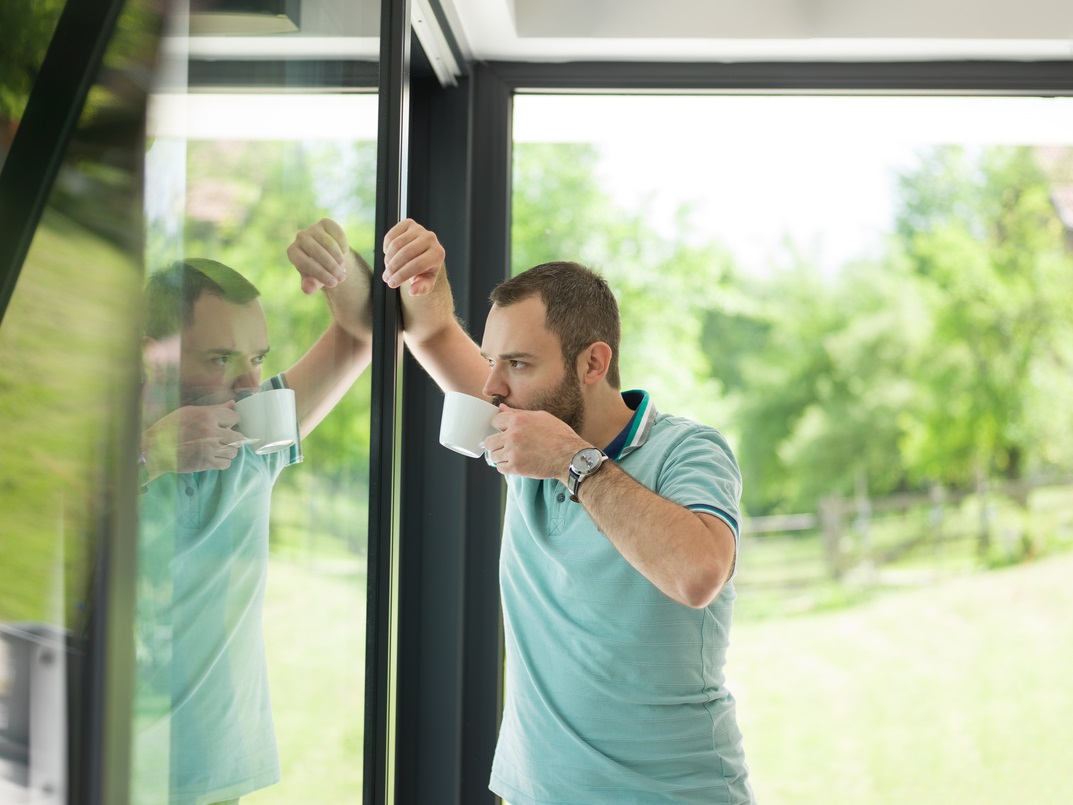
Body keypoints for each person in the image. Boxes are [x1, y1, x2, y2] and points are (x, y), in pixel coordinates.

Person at [296, 218, 755, 804]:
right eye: (491, 360)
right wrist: (425, 274)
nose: (491, 386)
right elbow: (431, 330)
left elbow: (697, 574)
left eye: (517, 363)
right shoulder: (522, 437)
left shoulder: (686, 449)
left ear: (592, 364)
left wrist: (574, 462)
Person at [133, 219, 372, 805]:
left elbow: (362, 334)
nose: (247, 383)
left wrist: (338, 268)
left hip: (214, 773)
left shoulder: (254, 439)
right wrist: (148, 456)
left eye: (257, 358)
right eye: (220, 359)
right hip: (102, 762)